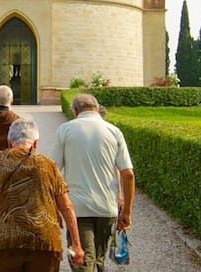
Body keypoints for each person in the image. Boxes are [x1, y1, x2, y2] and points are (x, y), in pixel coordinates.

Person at [0, 119, 85, 271]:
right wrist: (76, 244)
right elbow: (66, 206)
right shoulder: (49, 164)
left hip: (3, 240)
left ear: (9, 142)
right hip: (44, 241)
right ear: (36, 143)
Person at [52, 94, 135, 272]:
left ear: (75, 111)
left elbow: (53, 172)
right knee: (97, 259)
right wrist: (127, 211)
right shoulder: (114, 131)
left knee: (83, 261)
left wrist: (55, 206)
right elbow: (128, 174)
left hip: (77, 206)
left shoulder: (65, 130)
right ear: (96, 108)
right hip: (107, 206)